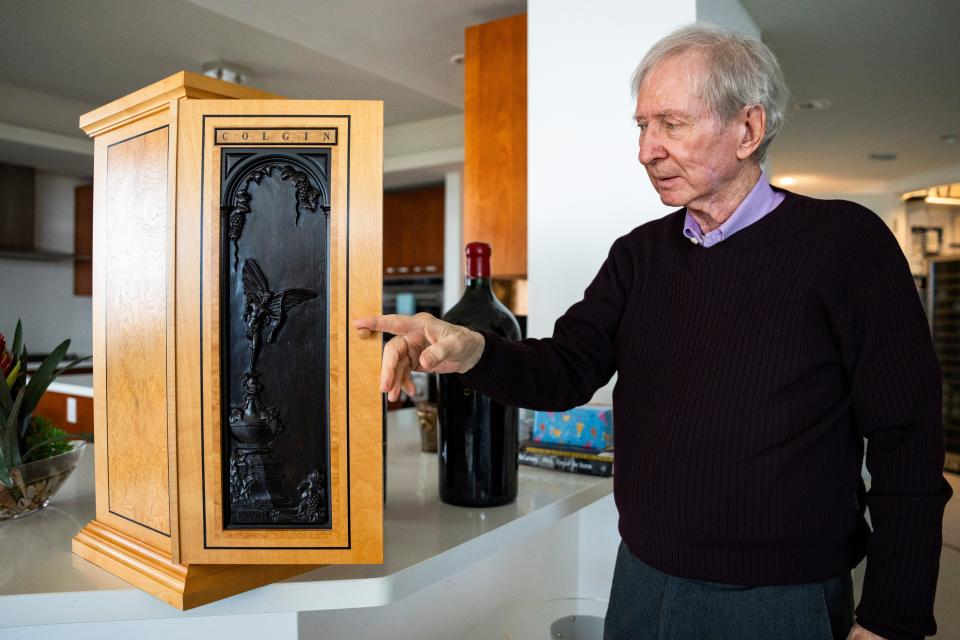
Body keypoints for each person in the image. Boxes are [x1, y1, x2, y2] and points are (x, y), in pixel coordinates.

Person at [355, 23, 952, 640]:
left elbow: (907, 438)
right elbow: (564, 369)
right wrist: (473, 348)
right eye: (642, 126)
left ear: (747, 129)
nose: (646, 150)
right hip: (642, 581)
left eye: (671, 124)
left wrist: (891, 617)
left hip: (780, 600)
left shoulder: (846, 245)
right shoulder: (637, 256)